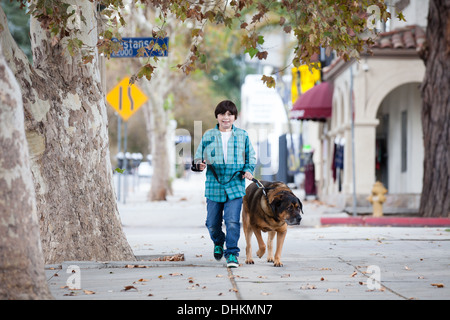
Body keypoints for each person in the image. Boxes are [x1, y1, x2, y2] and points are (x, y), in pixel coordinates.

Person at [194, 100, 256, 268]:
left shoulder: (243, 135)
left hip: (235, 185)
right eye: (222, 114)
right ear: (217, 116)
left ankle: (232, 254)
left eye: (229, 114)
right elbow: (197, 158)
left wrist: (248, 170)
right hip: (214, 185)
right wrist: (199, 164)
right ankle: (219, 241)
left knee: (232, 221)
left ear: (234, 117)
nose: (226, 117)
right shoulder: (208, 135)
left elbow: (251, 158)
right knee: (212, 223)